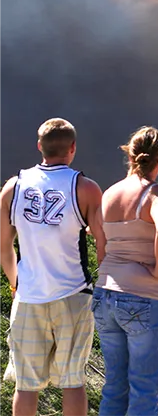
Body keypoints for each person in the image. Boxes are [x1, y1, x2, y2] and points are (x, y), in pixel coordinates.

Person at [0, 118, 103, 416]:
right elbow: (103, 243)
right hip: (73, 294)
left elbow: (3, 245)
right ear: (72, 149)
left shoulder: (12, 187)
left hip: (29, 296)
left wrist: (15, 282)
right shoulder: (86, 188)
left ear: (39, 147)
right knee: (73, 382)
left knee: (26, 386)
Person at [93, 126, 158, 416]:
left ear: (129, 155)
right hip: (144, 297)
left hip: (105, 294)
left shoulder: (108, 195)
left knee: (114, 386)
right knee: (143, 390)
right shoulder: (157, 193)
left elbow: (99, 244)